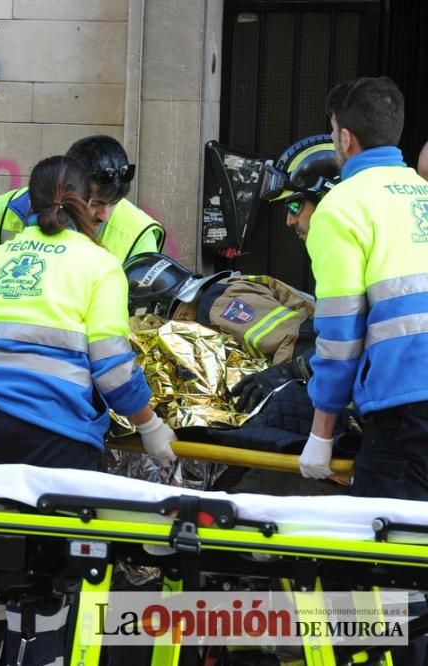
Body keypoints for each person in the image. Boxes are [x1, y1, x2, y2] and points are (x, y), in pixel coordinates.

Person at [0, 155, 177, 665]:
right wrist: (151, 426)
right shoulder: (97, 266)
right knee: (44, 579)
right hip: (49, 438)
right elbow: (113, 370)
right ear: (88, 204)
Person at [297, 76, 428, 666]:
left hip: (406, 412)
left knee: (378, 580)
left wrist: (321, 435)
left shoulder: (342, 207)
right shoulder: (423, 194)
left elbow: (341, 334)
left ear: (344, 139)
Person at [124, 135, 341, 413]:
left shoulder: (218, 302)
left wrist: (285, 382)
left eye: (295, 206)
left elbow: (292, 337)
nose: (289, 220)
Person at [0, 135, 166, 262]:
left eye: (114, 204)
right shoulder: (6, 210)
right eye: (96, 203)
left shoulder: (139, 233)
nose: (104, 215)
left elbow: (139, 319)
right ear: (69, 182)